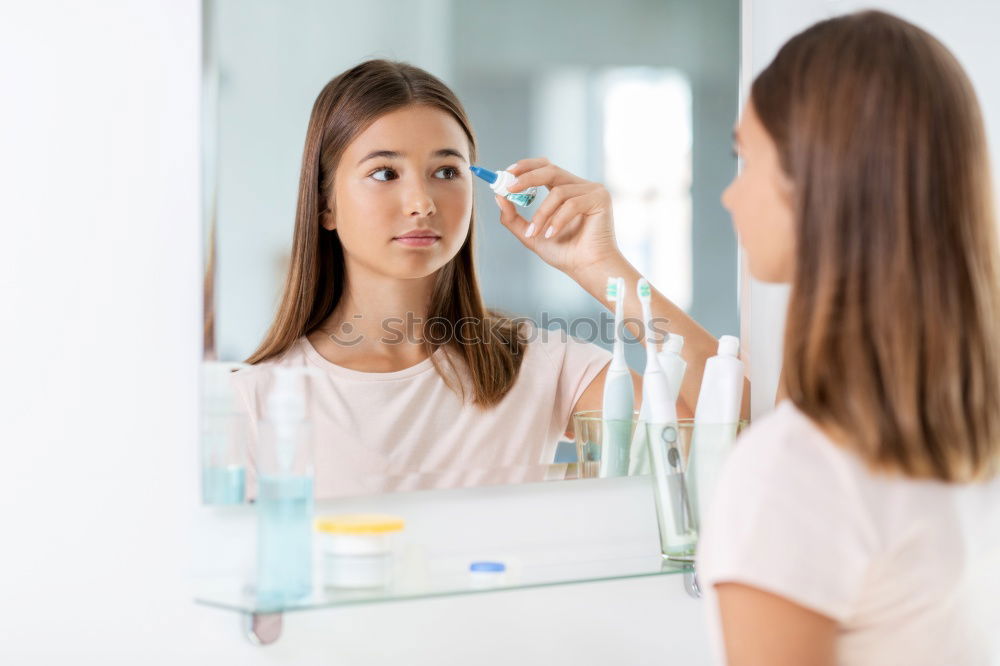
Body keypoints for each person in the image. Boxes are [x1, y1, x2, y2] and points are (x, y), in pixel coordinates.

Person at [231, 59, 719, 498]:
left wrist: (602, 267)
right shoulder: (257, 400)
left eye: (446, 172)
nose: (422, 202)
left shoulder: (538, 365)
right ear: (325, 204)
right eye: (385, 173)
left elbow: (722, 432)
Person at [697, 11, 1000, 665]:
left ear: (819, 180)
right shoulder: (971, 439)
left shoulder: (797, 472)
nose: (729, 196)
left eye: (743, 158)